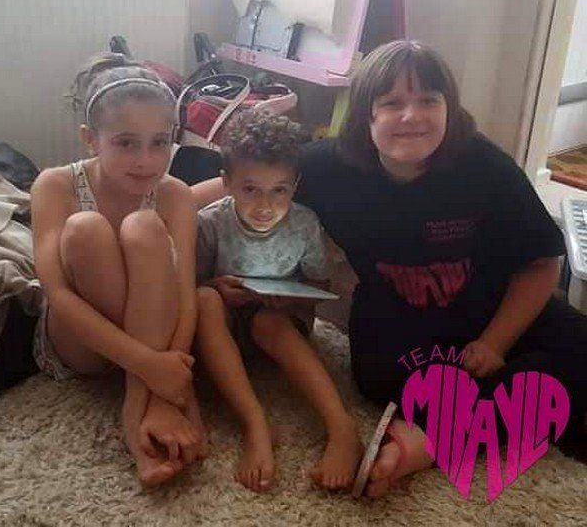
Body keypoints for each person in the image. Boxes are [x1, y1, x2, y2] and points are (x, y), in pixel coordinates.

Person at [192, 40, 587, 497]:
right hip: (400, 327)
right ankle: (455, 427)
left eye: (428, 100)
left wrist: (496, 342)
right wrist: (161, 204)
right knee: (394, 385)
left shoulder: (486, 167)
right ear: (366, 114)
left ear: (450, 108)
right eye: (392, 103)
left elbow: (541, 262)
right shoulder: (327, 166)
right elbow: (233, 182)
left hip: (492, 310)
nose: (411, 116)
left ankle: (430, 444)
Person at [31, 54, 206, 487]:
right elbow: (58, 295)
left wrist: (165, 378)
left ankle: (144, 402)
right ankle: (137, 413)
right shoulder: (54, 184)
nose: (145, 160)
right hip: (83, 343)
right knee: (85, 228)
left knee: (144, 226)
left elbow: (186, 295)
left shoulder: (176, 195)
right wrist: (152, 366)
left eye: (159, 143)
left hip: (157, 337)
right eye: (126, 143)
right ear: (90, 139)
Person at [193, 112, 362, 492]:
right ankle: (255, 423)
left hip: (280, 325)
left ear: (295, 186)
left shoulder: (305, 224)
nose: (265, 206)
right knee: (203, 299)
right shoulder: (210, 223)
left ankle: (341, 426)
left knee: (267, 322)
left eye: (279, 191)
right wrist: (217, 287)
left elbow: (318, 283)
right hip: (224, 332)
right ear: (226, 183)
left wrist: (291, 302)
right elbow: (189, 286)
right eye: (250, 189)